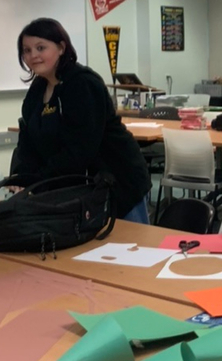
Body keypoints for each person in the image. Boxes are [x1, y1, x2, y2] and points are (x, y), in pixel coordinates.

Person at [12, 18, 151, 222]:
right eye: (27, 50)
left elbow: (80, 149)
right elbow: (28, 140)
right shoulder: (38, 89)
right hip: (74, 186)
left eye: (40, 48)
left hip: (118, 180)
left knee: (129, 240)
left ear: (61, 48)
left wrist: (39, 181)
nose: (33, 56)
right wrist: (21, 178)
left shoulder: (83, 83)